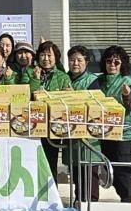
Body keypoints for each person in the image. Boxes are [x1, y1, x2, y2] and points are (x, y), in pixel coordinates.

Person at [23, 40, 72, 183]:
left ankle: (52, 191)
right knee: (31, 162)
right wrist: (35, 79)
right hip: (32, 124)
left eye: (49, 55)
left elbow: (68, 100)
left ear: (56, 58)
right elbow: (25, 95)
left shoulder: (62, 76)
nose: (46, 59)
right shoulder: (29, 72)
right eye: (43, 55)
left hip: (53, 126)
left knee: (50, 162)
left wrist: (67, 93)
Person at [97, 45, 131, 203]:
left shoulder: (127, 81)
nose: (112, 65)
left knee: (122, 168)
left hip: (123, 133)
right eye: (109, 61)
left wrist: (127, 95)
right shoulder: (100, 80)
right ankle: (123, 195)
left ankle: (127, 198)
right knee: (109, 166)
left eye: (116, 62)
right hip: (105, 131)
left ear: (122, 64)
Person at [65, 45, 101, 202]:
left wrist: (73, 96)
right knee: (76, 175)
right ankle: (79, 203)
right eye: (72, 60)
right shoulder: (64, 78)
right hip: (71, 136)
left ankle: (92, 205)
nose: (75, 63)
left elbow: (96, 107)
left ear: (86, 62)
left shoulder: (93, 81)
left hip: (89, 138)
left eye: (79, 60)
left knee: (89, 174)